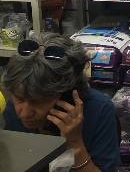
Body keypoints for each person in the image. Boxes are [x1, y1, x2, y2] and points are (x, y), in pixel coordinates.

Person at [1, 33, 120, 172]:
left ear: (67, 95)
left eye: (38, 102)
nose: (24, 113)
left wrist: (75, 145)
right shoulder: (9, 110)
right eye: (19, 99)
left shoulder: (98, 110)